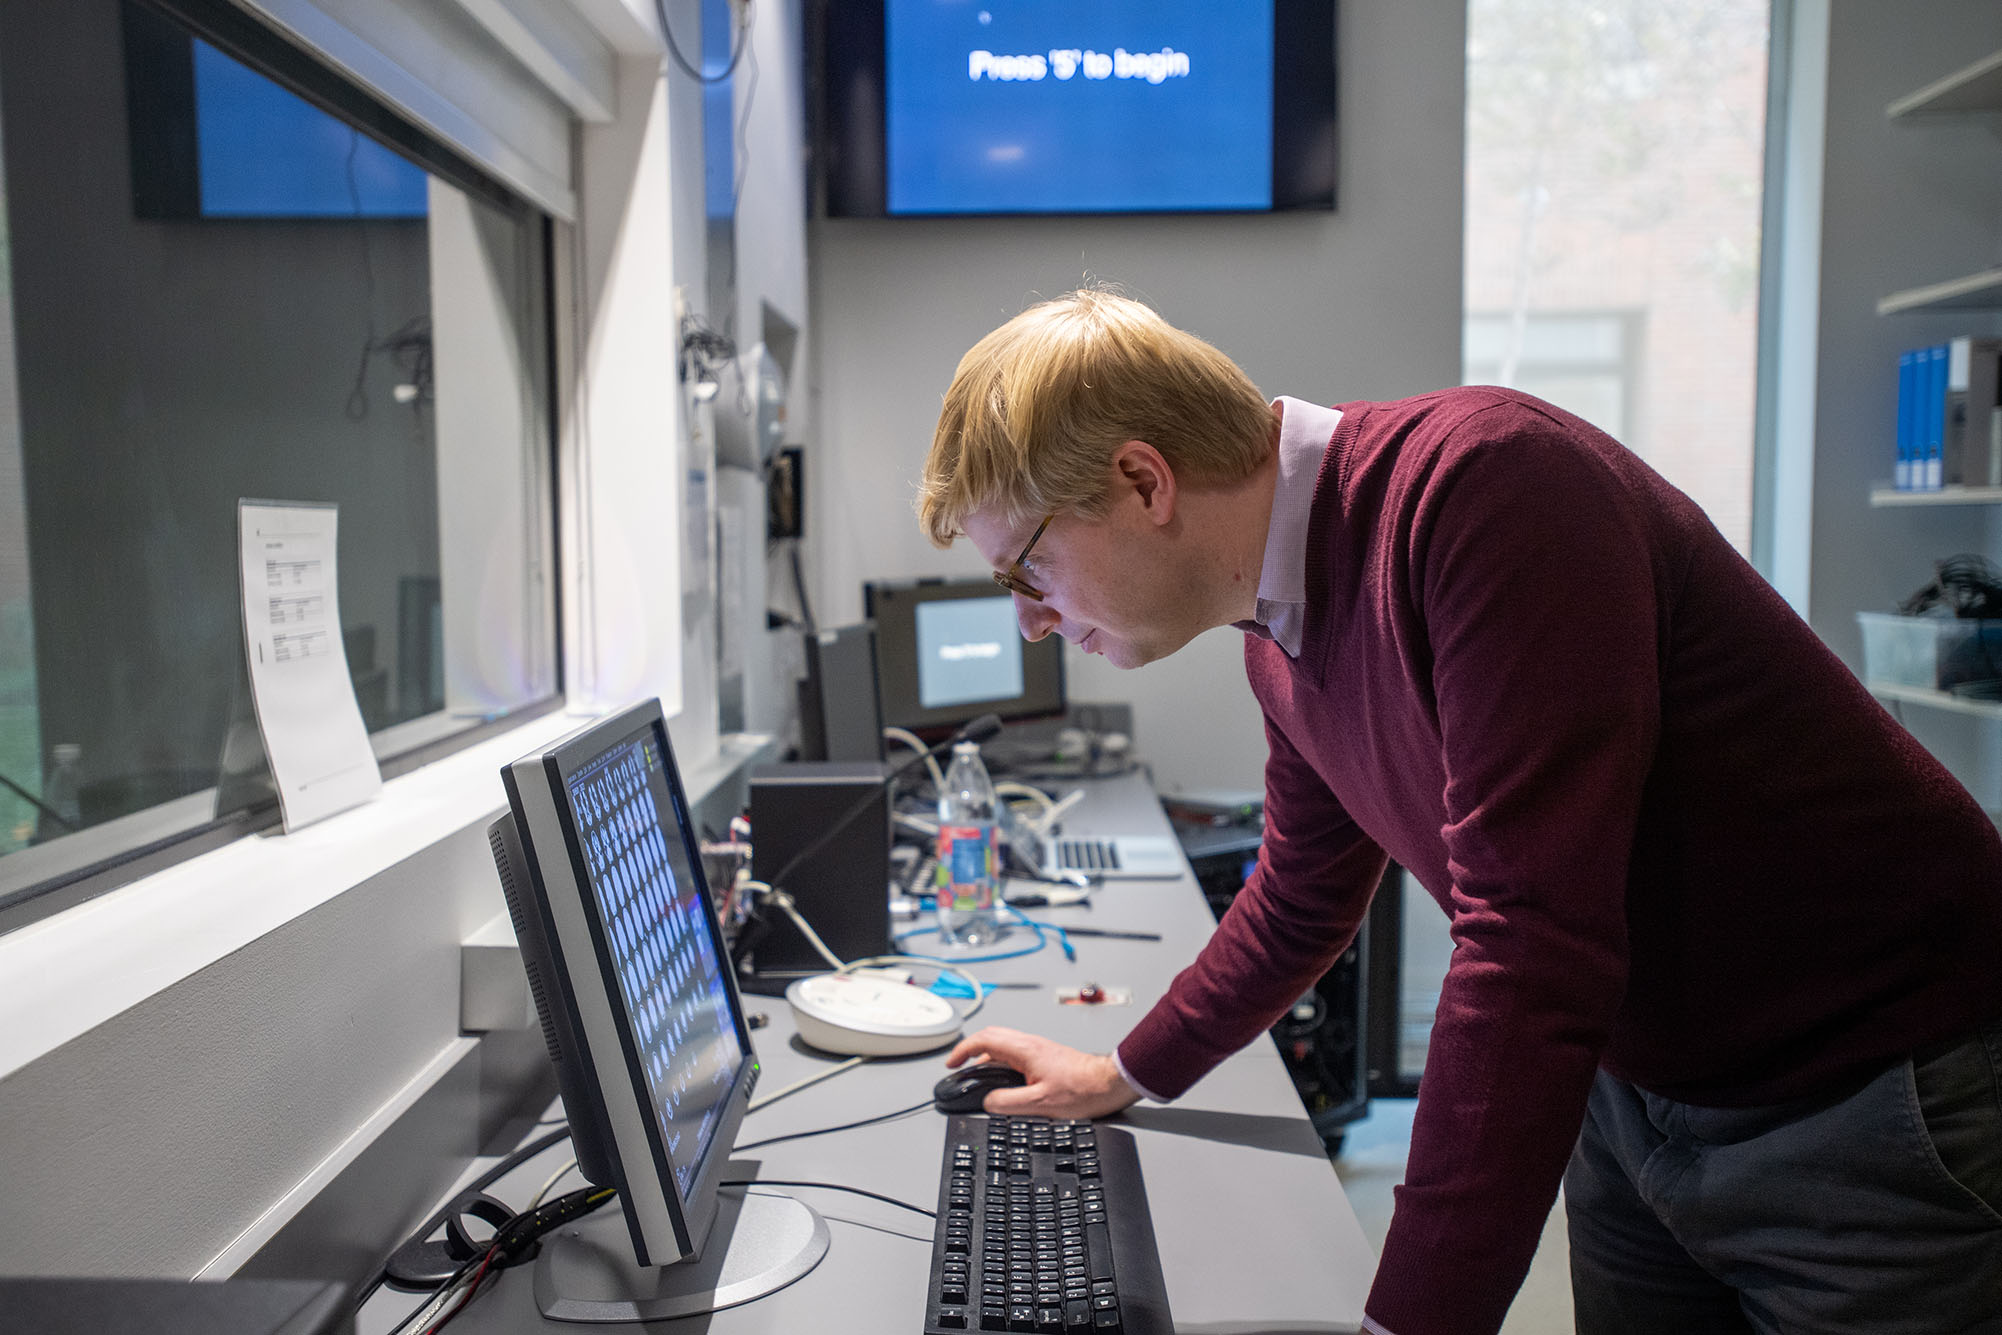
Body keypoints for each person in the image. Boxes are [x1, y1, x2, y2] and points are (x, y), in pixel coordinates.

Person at [914, 288, 2002, 1335]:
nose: (1029, 625)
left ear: (1143, 480)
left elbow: (1531, 942)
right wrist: (1118, 1073)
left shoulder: (1485, 485)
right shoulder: (1278, 640)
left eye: (1029, 568)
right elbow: (1298, 901)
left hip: (1871, 1092)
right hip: (1640, 1093)